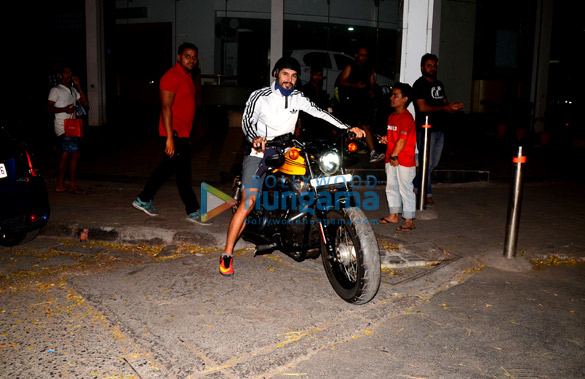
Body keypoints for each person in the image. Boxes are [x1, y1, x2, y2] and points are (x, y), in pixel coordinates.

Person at [219, 56, 365, 277]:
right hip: (260, 150)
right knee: (248, 202)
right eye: (285, 74)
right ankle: (227, 253)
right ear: (276, 74)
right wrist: (255, 138)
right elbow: (247, 121)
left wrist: (348, 128)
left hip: (287, 149)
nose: (289, 79)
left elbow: (321, 113)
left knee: (314, 178)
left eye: (294, 76)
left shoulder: (298, 97)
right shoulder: (260, 96)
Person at [132, 43, 209, 225]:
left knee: (167, 169)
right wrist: (169, 138)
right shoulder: (171, 76)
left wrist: (185, 137)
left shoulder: (187, 77)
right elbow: (166, 108)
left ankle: (143, 198)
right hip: (172, 132)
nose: (191, 60)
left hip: (181, 134)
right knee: (183, 174)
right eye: (187, 56)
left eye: (194, 57)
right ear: (178, 57)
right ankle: (192, 210)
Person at [412, 53, 464, 207]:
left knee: (433, 163)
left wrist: (452, 107)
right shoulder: (419, 84)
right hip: (425, 129)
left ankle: (416, 185)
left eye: (434, 65)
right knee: (426, 162)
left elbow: (444, 102)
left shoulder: (439, 84)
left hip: (440, 128)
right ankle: (426, 193)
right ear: (422, 67)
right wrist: (444, 107)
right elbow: (422, 107)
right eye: (429, 65)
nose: (433, 68)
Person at [378, 82, 417, 232]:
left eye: (396, 95)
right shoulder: (392, 117)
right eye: (392, 95)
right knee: (392, 186)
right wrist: (385, 139)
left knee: (405, 188)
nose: (392, 98)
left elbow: (403, 140)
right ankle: (394, 215)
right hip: (392, 157)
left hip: (403, 159)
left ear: (405, 99)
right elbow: (394, 137)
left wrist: (394, 155)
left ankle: (409, 220)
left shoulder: (406, 118)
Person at [337, 47, 385, 163]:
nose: (364, 57)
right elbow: (341, 81)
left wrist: (371, 90)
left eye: (366, 55)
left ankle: (372, 152)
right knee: (350, 127)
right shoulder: (351, 66)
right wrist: (355, 86)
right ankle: (344, 153)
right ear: (356, 55)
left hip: (364, 101)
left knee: (366, 126)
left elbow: (372, 83)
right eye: (362, 55)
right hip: (351, 102)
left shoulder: (369, 68)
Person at [47, 64, 89, 194]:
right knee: (75, 153)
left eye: (70, 73)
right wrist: (64, 109)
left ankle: (60, 184)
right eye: (65, 73)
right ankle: (72, 184)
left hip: (72, 126)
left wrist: (78, 85)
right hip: (62, 126)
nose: (68, 75)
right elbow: (49, 108)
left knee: (66, 155)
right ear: (60, 75)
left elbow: (85, 103)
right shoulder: (55, 90)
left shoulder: (72, 90)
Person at [298, 65, 336, 140]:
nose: (318, 77)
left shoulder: (323, 93)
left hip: (321, 126)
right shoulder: (305, 90)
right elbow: (300, 111)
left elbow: (327, 110)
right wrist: (299, 126)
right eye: (316, 75)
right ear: (311, 75)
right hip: (308, 125)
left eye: (320, 75)